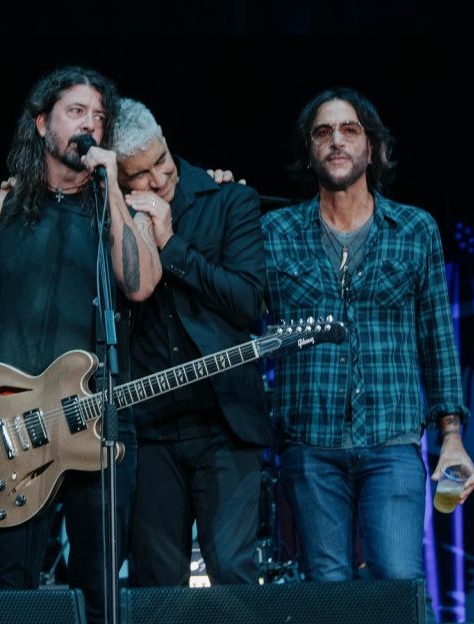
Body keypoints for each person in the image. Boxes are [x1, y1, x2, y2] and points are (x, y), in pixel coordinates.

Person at [0, 66, 160, 624]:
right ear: (42, 121)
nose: (90, 124)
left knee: (101, 589)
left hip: (99, 423)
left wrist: (115, 188)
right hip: (19, 426)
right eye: (77, 112)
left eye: (100, 116)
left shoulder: (111, 208)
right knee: (13, 589)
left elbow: (141, 283)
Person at [261, 88, 474, 585]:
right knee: (327, 588)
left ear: (372, 148)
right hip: (310, 446)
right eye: (322, 132)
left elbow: (437, 339)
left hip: (393, 441)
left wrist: (452, 438)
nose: (336, 141)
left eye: (349, 130)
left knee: (398, 581)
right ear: (309, 152)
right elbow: (234, 302)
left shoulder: (414, 229)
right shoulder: (275, 233)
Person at [110, 98, 270, 587]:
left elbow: (248, 302)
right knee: (156, 586)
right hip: (150, 432)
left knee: (234, 576)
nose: (159, 179)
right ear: (116, 181)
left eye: (161, 159)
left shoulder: (228, 201)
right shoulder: (110, 222)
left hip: (225, 425)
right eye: (139, 175)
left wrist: (172, 246)